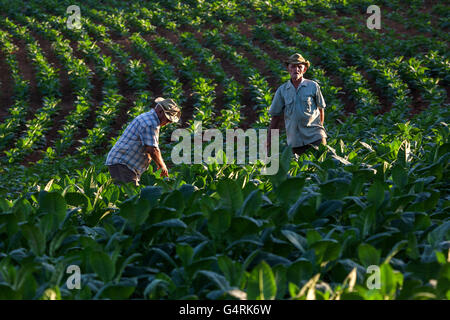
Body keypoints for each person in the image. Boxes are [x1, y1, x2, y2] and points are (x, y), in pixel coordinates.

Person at [105, 97, 181, 186]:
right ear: (160, 111)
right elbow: (152, 149)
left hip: (124, 164)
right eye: (168, 120)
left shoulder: (149, 119)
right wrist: (162, 166)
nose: (168, 123)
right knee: (130, 194)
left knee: (131, 194)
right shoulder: (150, 123)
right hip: (123, 164)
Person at [268, 53, 327, 157]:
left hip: (315, 137)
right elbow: (275, 118)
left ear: (304, 70)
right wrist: (269, 141)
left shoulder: (313, 86)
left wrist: (320, 128)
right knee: (299, 170)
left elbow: (321, 109)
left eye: (300, 66)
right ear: (288, 69)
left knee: (320, 167)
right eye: (293, 66)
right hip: (295, 141)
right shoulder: (282, 90)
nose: (296, 69)